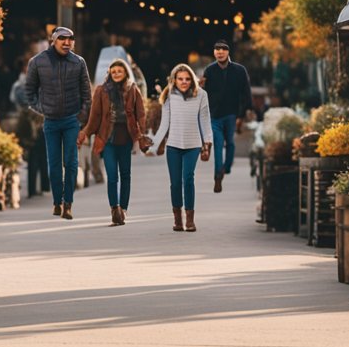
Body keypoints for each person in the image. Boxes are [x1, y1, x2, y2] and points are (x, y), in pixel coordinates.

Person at [25, 26, 91, 220]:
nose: (67, 42)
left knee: (71, 162)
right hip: (51, 121)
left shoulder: (79, 62)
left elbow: (87, 94)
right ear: (53, 40)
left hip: (72, 119)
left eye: (70, 39)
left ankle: (68, 203)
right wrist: (42, 109)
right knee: (53, 164)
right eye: (62, 38)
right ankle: (57, 202)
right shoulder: (37, 62)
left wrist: (81, 118)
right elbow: (29, 92)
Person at [78, 58, 150, 226]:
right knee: (112, 176)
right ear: (109, 73)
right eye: (113, 71)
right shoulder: (101, 90)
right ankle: (114, 209)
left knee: (125, 175)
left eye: (120, 71)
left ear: (125, 73)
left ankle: (123, 209)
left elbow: (140, 113)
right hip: (107, 138)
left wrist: (142, 134)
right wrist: (85, 133)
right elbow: (94, 116)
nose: (116, 73)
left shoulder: (133, 89)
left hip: (125, 138)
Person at [144, 63, 212, 232]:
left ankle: (190, 219)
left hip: (193, 144)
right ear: (174, 80)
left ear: (192, 80)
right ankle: (177, 219)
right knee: (175, 183)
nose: (184, 82)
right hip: (173, 145)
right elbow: (164, 124)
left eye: (187, 79)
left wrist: (207, 142)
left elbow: (205, 120)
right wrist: (153, 146)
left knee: (188, 179)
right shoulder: (169, 96)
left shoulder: (201, 95)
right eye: (180, 79)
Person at [201, 38, 253, 193]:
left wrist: (243, 114)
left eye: (223, 49)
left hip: (232, 113)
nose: (220, 52)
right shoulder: (209, 70)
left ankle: (227, 167)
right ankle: (218, 176)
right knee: (218, 144)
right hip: (214, 115)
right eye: (217, 49)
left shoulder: (239, 70)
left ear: (228, 52)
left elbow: (246, 92)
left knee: (230, 143)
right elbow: (203, 93)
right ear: (214, 53)